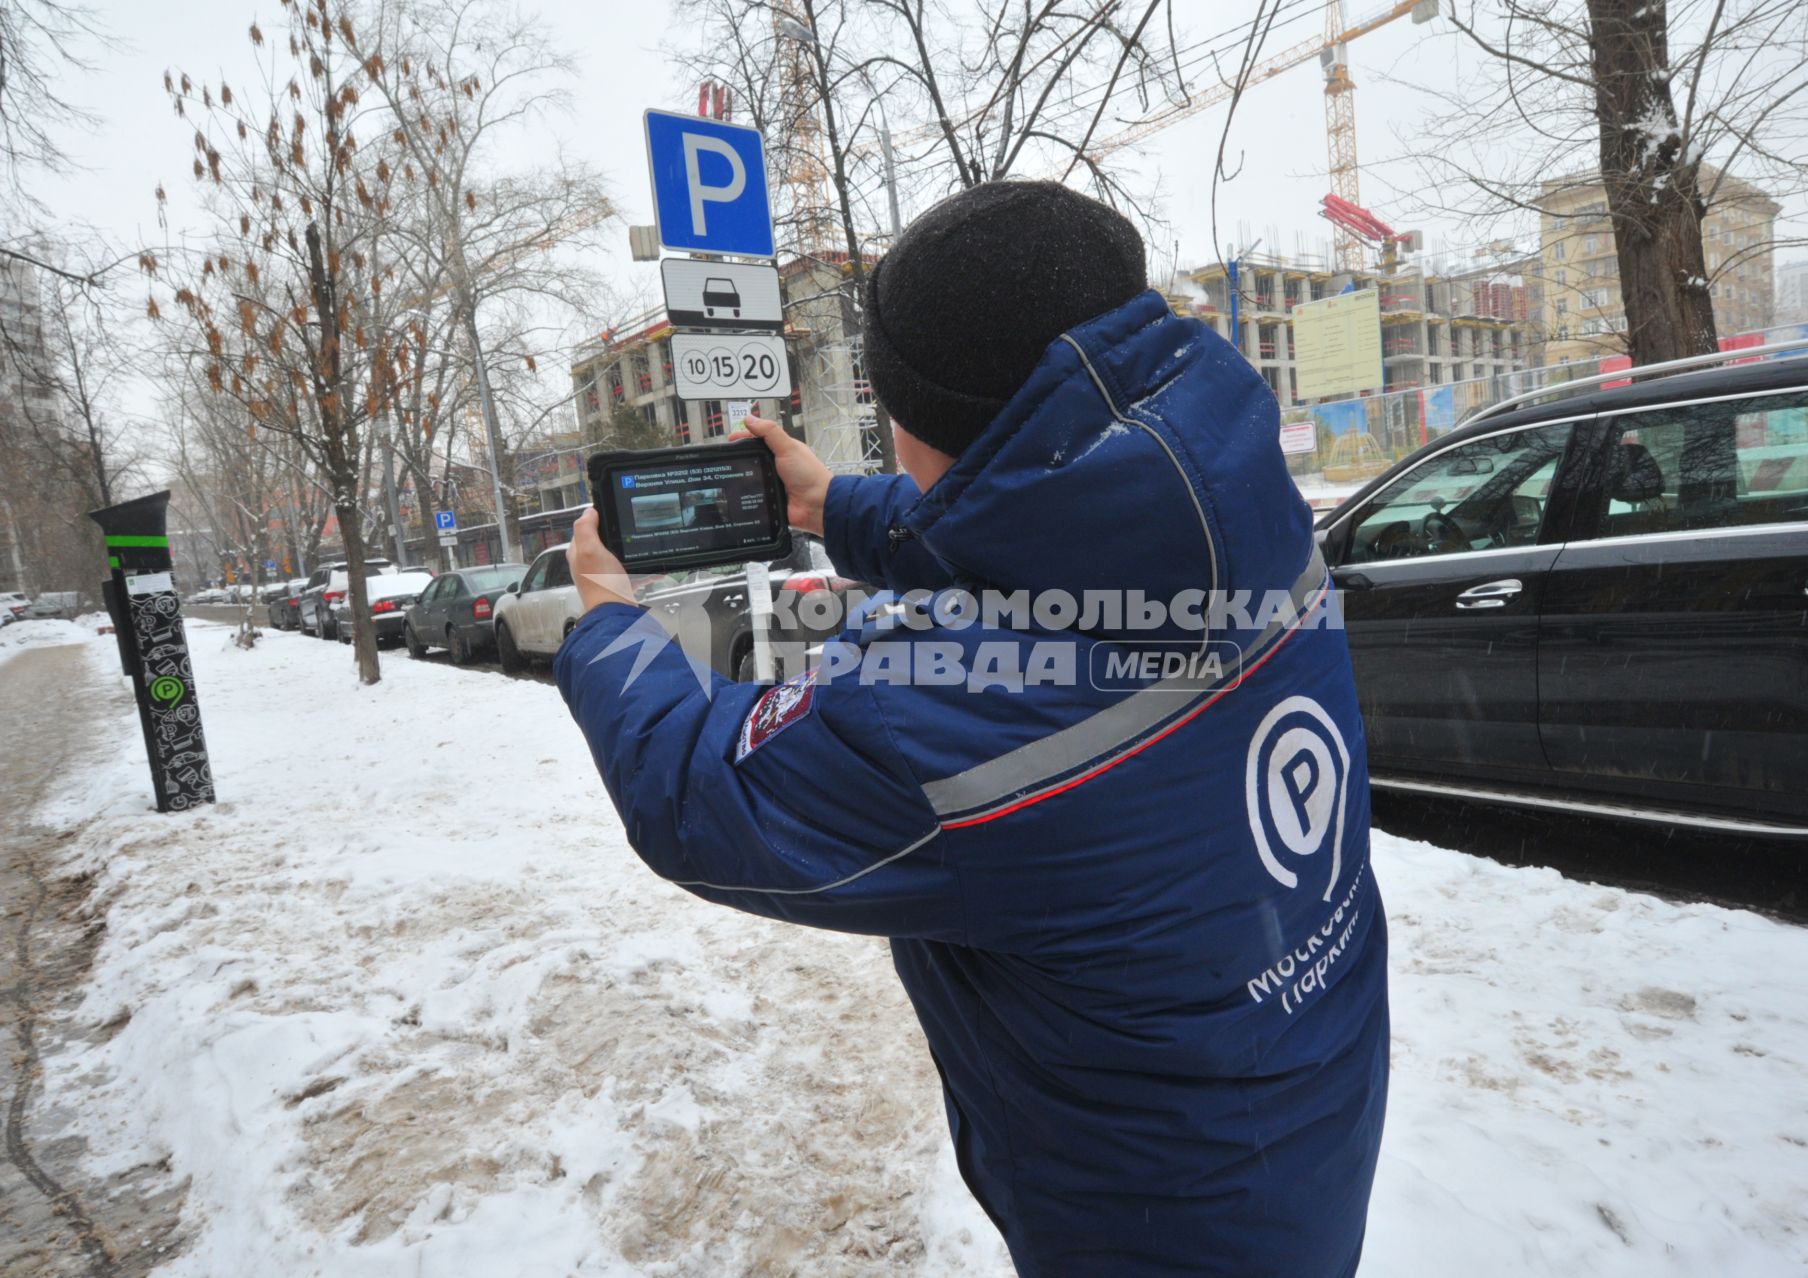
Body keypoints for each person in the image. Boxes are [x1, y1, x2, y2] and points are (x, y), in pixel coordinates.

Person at [557, 180, 1389, 1276]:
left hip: (1144, 1215)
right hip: (1310, 1100)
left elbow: (701, 798)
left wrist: (612, 627)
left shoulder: (937, 716)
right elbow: (1056, 540)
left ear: (911, 426)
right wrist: (836, 508)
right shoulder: (1238, 511)